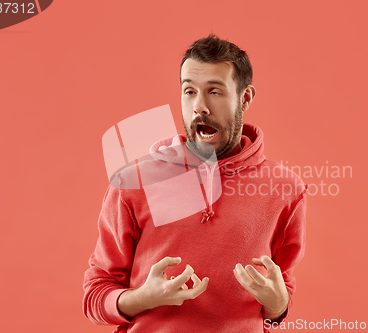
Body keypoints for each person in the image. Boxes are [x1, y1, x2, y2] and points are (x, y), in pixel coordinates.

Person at [83, 34, 308, 333]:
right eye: (189, 91)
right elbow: (95, 295)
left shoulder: (286, 189)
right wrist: (141, 298)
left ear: (245, 98)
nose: (199, 106)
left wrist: (278, 305)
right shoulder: (134, 181)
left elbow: (279, 302)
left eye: (214, 91)